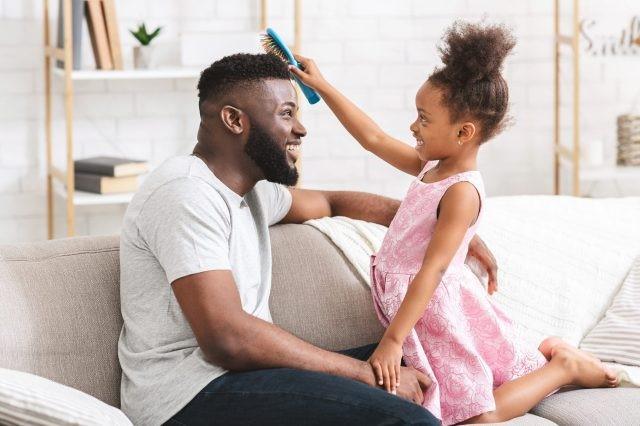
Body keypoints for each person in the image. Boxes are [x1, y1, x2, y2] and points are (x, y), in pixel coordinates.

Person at [118, 52, 499, 425]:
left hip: (243, 376)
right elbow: (227, 338)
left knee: (430, 364)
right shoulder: (187, 193)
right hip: (188, 395)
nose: (301, 129)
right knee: (410, 419)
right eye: (286, 113)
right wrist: (363, 375)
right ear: (234, 119)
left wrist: (444, 226)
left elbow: (332, 202)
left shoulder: (250, 193)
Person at [290, 21, 619, 426]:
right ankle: (550, 358)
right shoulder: (431, 166)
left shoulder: (461, 191)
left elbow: (434, 269)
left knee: (475, 417)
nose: (413, 127)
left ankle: (562, 366)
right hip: (416, 306)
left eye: (423, 119)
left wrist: (393, 340)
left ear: (464, 132)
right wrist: (321, 85)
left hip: (433, 309)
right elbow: (373, 138)